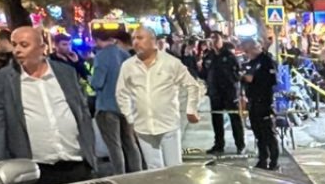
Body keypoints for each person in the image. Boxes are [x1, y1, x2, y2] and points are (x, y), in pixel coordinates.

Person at [0, 26, 98, 184]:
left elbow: (82, 112)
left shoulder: (65, 72)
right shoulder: (4, 80)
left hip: (76, 163)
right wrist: (0, 165)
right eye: (14, 45)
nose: (17, 50)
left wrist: (90, 154)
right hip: (35, 170)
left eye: (24, 45)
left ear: (42, 48)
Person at [116, 27, 200, 169]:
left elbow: (192, 86)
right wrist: (130, 118)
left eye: (140, 38)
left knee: (174, 169)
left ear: (153, 41)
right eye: (134, 38)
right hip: (143, 128)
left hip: (168, 126)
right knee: (154, 171)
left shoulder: (171, 63)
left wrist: (191, 109)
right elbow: (121, 93)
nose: (136, 42)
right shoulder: (128, 66)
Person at [90, 30, 141, 174]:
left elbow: (97, 83)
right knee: (130, 143)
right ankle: (137, 173)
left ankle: (120, 175)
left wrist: (90, 80)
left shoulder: (101, 56)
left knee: (114, 146)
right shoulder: (124, 55)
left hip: (107, 107)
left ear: (97, 40)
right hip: (125, 106)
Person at [240, 39, 278, 170]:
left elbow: (271, 80)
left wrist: (254, 79)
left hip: (264, 102)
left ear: (255, 47)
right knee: (258, 133)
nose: (247, 53)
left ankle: (274, 160)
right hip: (253, 101)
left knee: (267, 132)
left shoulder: (266, 61)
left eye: (248, 49)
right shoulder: (251, 62)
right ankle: (262, 159)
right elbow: (244, 79)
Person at [205, 37, 244, 155]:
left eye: (216, 40)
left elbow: (238, 73)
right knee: (217, 120)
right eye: (212, 41)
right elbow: (205, 72)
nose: (214, 43)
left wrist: (237, 89)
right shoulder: (209, 56)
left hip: (229, 93)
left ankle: (240, 145)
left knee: (235, 119)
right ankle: (219, 145)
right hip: (215, 93)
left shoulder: (230, 56)